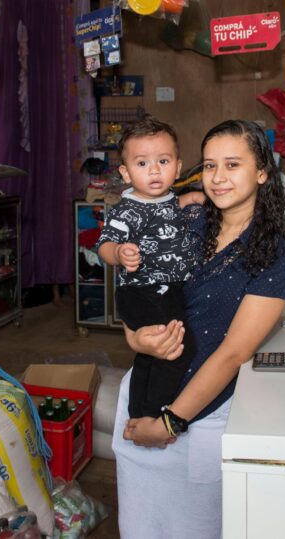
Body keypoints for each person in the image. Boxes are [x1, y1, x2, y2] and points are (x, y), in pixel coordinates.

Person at [112, 119, 285, 538]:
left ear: (262, 172)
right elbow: (137, 292)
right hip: (144, 391)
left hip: (197, 418)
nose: (218, 178)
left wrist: (170, 424)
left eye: (233, 165)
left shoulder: (271, 251)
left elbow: (234, 352)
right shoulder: (188, 222)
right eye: (210, 165)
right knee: (140, 527)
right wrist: (135, 338)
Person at [95, 116, 199, 419]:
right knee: (177, 349)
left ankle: (138, 410)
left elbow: (172, 210)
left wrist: (192, 198)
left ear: (178, 167)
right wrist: (119, 252)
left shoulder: (170, 200)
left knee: (149, 354)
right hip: (141, 292)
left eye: (163, 161)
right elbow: (103, 245)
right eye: (142, 164)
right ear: (126, 173)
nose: (154, 170)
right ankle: (156, 413)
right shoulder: (126, 210)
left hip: (168, 291)